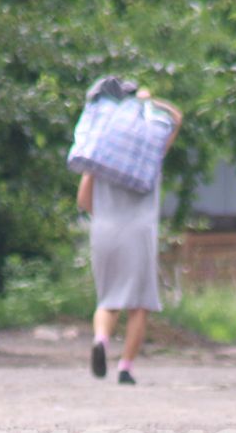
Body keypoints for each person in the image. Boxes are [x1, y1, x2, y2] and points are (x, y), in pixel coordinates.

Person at [77, 87, 183, 385]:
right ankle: (125, 367)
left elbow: (84, 201)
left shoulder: (98, 152)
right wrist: (148, 102)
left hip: (105, 229)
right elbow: (175, 118)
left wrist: (108, 215)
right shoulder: (152, 150)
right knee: (140, 303)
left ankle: (101, 340)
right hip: (139, 231)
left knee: (108, 298)